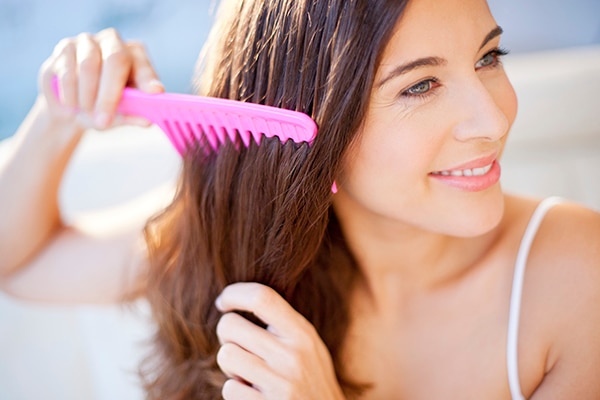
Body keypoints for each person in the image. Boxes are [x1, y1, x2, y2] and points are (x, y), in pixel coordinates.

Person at [1, 0, 599, 398]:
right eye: (421, 85)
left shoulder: (576, 280)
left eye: (489, 57)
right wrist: (60, 116)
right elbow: (19, 263)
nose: (493, 118)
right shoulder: (232, 242)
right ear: (306, 121)